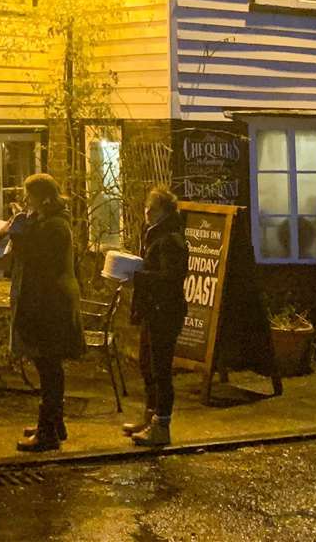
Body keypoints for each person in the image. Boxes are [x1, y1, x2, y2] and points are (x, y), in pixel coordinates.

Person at [10, 173, 84, 453]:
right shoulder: (51, 221)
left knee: (49, 366)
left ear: (43, 197)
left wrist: (21, 234)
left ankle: (48, 431)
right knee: (48, 367)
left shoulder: (54, 226)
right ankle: (54, 422)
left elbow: (36, 259)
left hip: (50, 305)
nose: (27, 200)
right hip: (49, 301)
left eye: (30, 195)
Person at [126, 185, 188, 448]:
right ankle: (150, 417)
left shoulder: (170, 239)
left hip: (165, 311)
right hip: (153, 310)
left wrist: (137, 276)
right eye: (147, 207)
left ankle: (162, 426)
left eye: (153, 208)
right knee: (147, 364)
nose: (147, 212)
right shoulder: (155, 235)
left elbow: (171, 278)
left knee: (161, 369)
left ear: (164, 211)